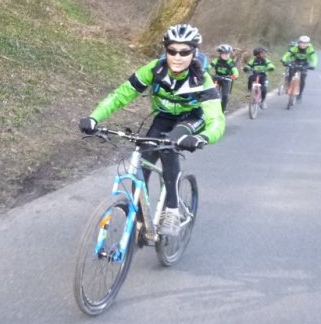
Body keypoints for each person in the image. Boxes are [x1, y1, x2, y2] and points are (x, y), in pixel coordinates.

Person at [79, 23, 225, 237]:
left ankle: (173, 210)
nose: (177, 57)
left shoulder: (201, 80)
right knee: (143, 157)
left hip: (191, 119)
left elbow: (216, 120)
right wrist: (94, 117)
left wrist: (202, 137)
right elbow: (121, 95)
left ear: (194, 53)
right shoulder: (154, 70)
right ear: (165, 51)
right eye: (172, 51)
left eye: (184, 52)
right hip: (164, 117)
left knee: (169, 146)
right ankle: (141, 218)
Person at [281, 35, 318, 100]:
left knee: (303, 76)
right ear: (299, 42)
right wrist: (284, 60)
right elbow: (287, 55)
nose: (303, 45)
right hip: (296, 61)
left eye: (305, 43)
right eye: (302, 43)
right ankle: (289, 85)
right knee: (291, 72)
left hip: (305, 63)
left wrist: (313, 65)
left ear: (308, 44)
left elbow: (314, 58)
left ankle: (300, 93)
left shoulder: (310, 49)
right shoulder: (295, 48)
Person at [208, 44, 239, 113]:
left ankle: (223, 110)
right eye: (224, 53)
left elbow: (235, 70)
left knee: (225, 95)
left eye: (228, 53)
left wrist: (235, 75)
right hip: (217, 77)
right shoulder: (216, 60)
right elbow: (209, 66)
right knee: (209, 91)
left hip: (227, 78)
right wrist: (204, 70)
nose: (226, 55)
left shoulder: (230, 62)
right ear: (220, 54)